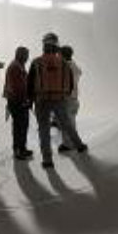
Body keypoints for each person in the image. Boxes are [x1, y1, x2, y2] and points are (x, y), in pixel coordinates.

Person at [27, 34, 88, 168]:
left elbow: (30, 83)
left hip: (41, 100)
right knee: (67, 124)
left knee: (43, 130)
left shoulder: (36, 62)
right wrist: (64, 96)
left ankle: (47, 160)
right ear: (56, 46)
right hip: (59, 99)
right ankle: (79, 146)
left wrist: (30, 101)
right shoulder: (64, 63)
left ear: (44, 46)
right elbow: (70, 83)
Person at [3, 46, 33, 160]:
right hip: (17, 101)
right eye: (25, 55)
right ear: (19, 55)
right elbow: (17, 87)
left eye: (27, 55)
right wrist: (24, 101)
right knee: (19, 126)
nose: (27, 58)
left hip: (18, 100)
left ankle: (22, 148)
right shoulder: (15, 67)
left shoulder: (18, 65)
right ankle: (18, 150)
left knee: (22, 126)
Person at [58, 45, 83, 153]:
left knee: (66, 123)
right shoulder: (75, 66)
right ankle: (72, 143)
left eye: (59, 54)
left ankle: (69, 145)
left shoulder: (64, 67)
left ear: (63, 55)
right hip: (75, 98)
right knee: (71, 122)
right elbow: (80, 73)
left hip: (67, 99)